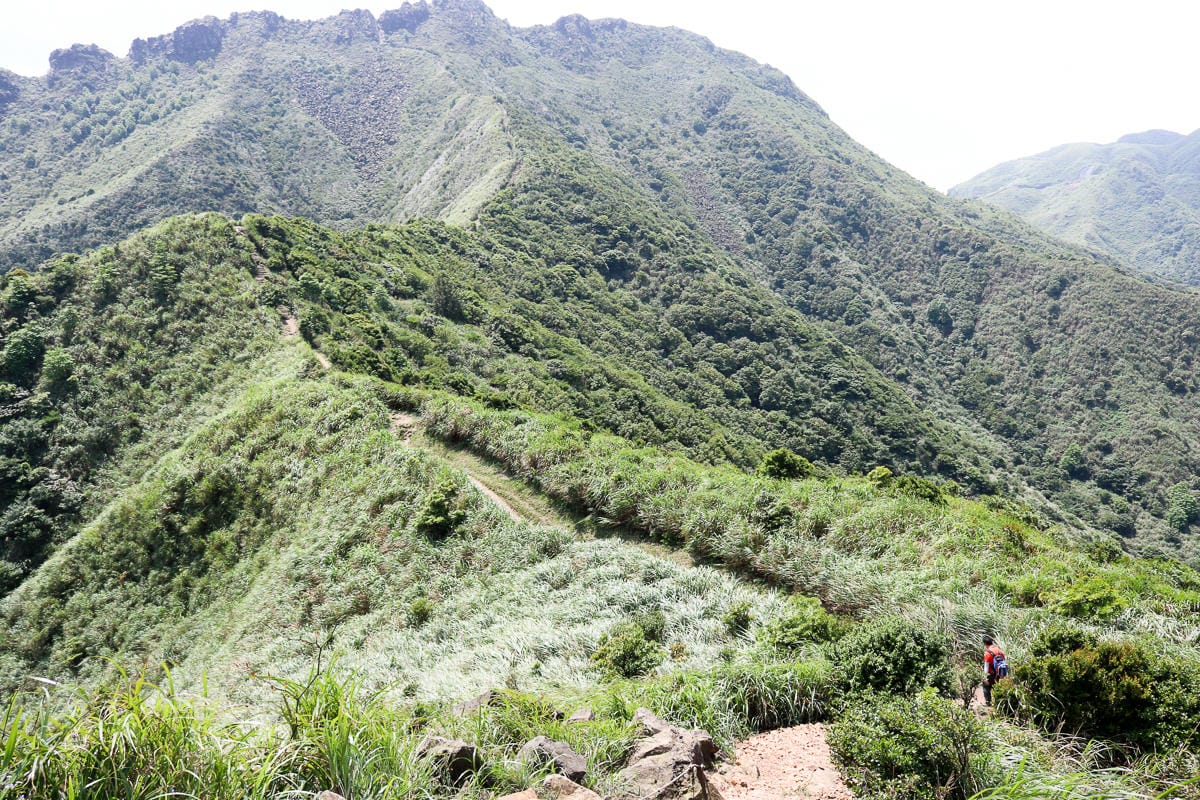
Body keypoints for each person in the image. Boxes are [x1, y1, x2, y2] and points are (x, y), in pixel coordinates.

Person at [982, 635, 1008, 706]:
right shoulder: (999, 650)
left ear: (985, 644)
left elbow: (986, 667)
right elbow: (1004, 661)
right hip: (1001, 673)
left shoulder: (987, 653)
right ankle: (999, 703)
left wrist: (985, 677)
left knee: (985, 685)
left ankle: (988, 702)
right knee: (998, 687)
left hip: (992, 673)